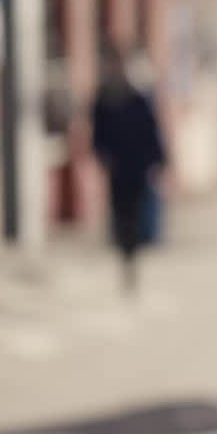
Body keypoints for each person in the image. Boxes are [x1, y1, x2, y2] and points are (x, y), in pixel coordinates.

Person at [91, 43, 166, 296]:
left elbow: (150, 131)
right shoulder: (104, 99)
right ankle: (126, 256)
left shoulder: (136, 98)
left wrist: (158, 159)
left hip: (135, 168)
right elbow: (97, 135)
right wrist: (102, 156)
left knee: (132, 216)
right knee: (120, 215)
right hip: (118, 169)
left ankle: (130, 258)